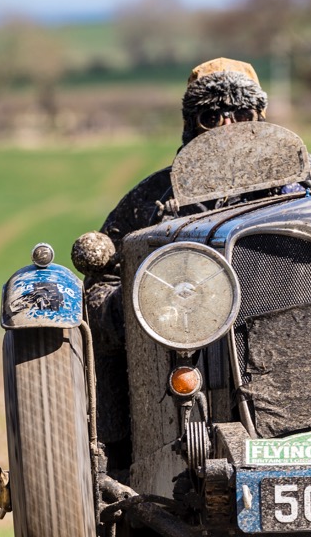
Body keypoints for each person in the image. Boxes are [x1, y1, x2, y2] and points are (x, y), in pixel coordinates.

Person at [82, 58, 271, 470]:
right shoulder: (150, 199)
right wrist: (135, 308)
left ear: (260, 120)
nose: (226, 128)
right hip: (180, 375)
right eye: (210, 117)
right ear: (190, 124)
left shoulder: (298, 193)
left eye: (241, 115)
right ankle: (114, 460)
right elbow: (99, 285)